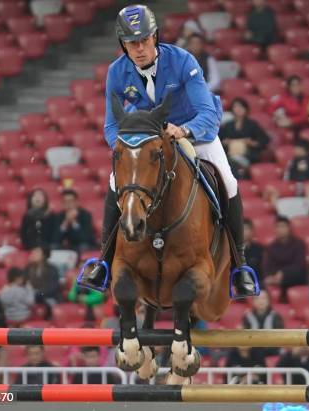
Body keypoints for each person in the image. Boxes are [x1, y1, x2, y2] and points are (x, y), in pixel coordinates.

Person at [91, 4, 259, 298]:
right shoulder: (116, 73)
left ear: (155, 37)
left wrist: (184, 131)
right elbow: (110, 127)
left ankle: (239, 265)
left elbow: (207, 112)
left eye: (144, 40)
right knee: (116, 182)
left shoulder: (183, 61)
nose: (139, 48)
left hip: (196, 131)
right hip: (149, 142)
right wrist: (129, 147)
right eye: (132, 43)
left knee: (229, 182)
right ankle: (104, 263)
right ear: (123, 45)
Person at [263, 217, 307, 301]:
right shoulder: (271, 247)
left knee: (301, 273)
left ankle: (284, 296)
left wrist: (283, 273)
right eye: (278, 227)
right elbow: (268, 265)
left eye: (283, 226)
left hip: (296, 275)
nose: (280, 229)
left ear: (289, 228)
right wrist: (271, 276)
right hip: (277, 276)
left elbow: (300, 264)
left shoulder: (299, 244)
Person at [219, 97, 270, 171]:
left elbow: (265, 139)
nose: (238, 109)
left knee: (232, 163)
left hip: (247, 155)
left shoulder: (252, 124)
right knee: (227, 161)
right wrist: (225, 142)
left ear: (246, 109)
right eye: (236, 107)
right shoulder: (227, 125)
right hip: (229, 154)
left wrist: (251, 143)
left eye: (241, 107)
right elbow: (220, 141)